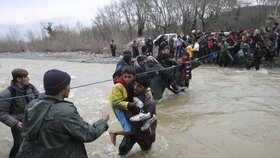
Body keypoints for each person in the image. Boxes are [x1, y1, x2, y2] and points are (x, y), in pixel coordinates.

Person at [16, 69, 109, 158]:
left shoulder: (32, 105)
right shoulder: (65, 112)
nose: (70, 87)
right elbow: (89, 134)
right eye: (68, 84)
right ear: (62, 89)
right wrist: (103, 121)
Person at [0, 68, 39, 158]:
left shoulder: (31, 87)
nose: (28, 79)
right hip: (19, 125)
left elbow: (40, 99)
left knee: (34, 143)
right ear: (18, 79)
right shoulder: (7, 93)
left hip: (33, 121)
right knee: (19, 145)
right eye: (25, 77)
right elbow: (1, 113)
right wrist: (15, 123)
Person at [119, 73, 157, 156]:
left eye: (139, 86)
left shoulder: (149, 101)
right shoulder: (130, 91)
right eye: (135, 84)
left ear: (145, 88)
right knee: (122, 150)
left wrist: (117, 132)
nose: (135, 87)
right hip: (132, 130)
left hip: (145, 133)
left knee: (146, 152)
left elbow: (144, 120)